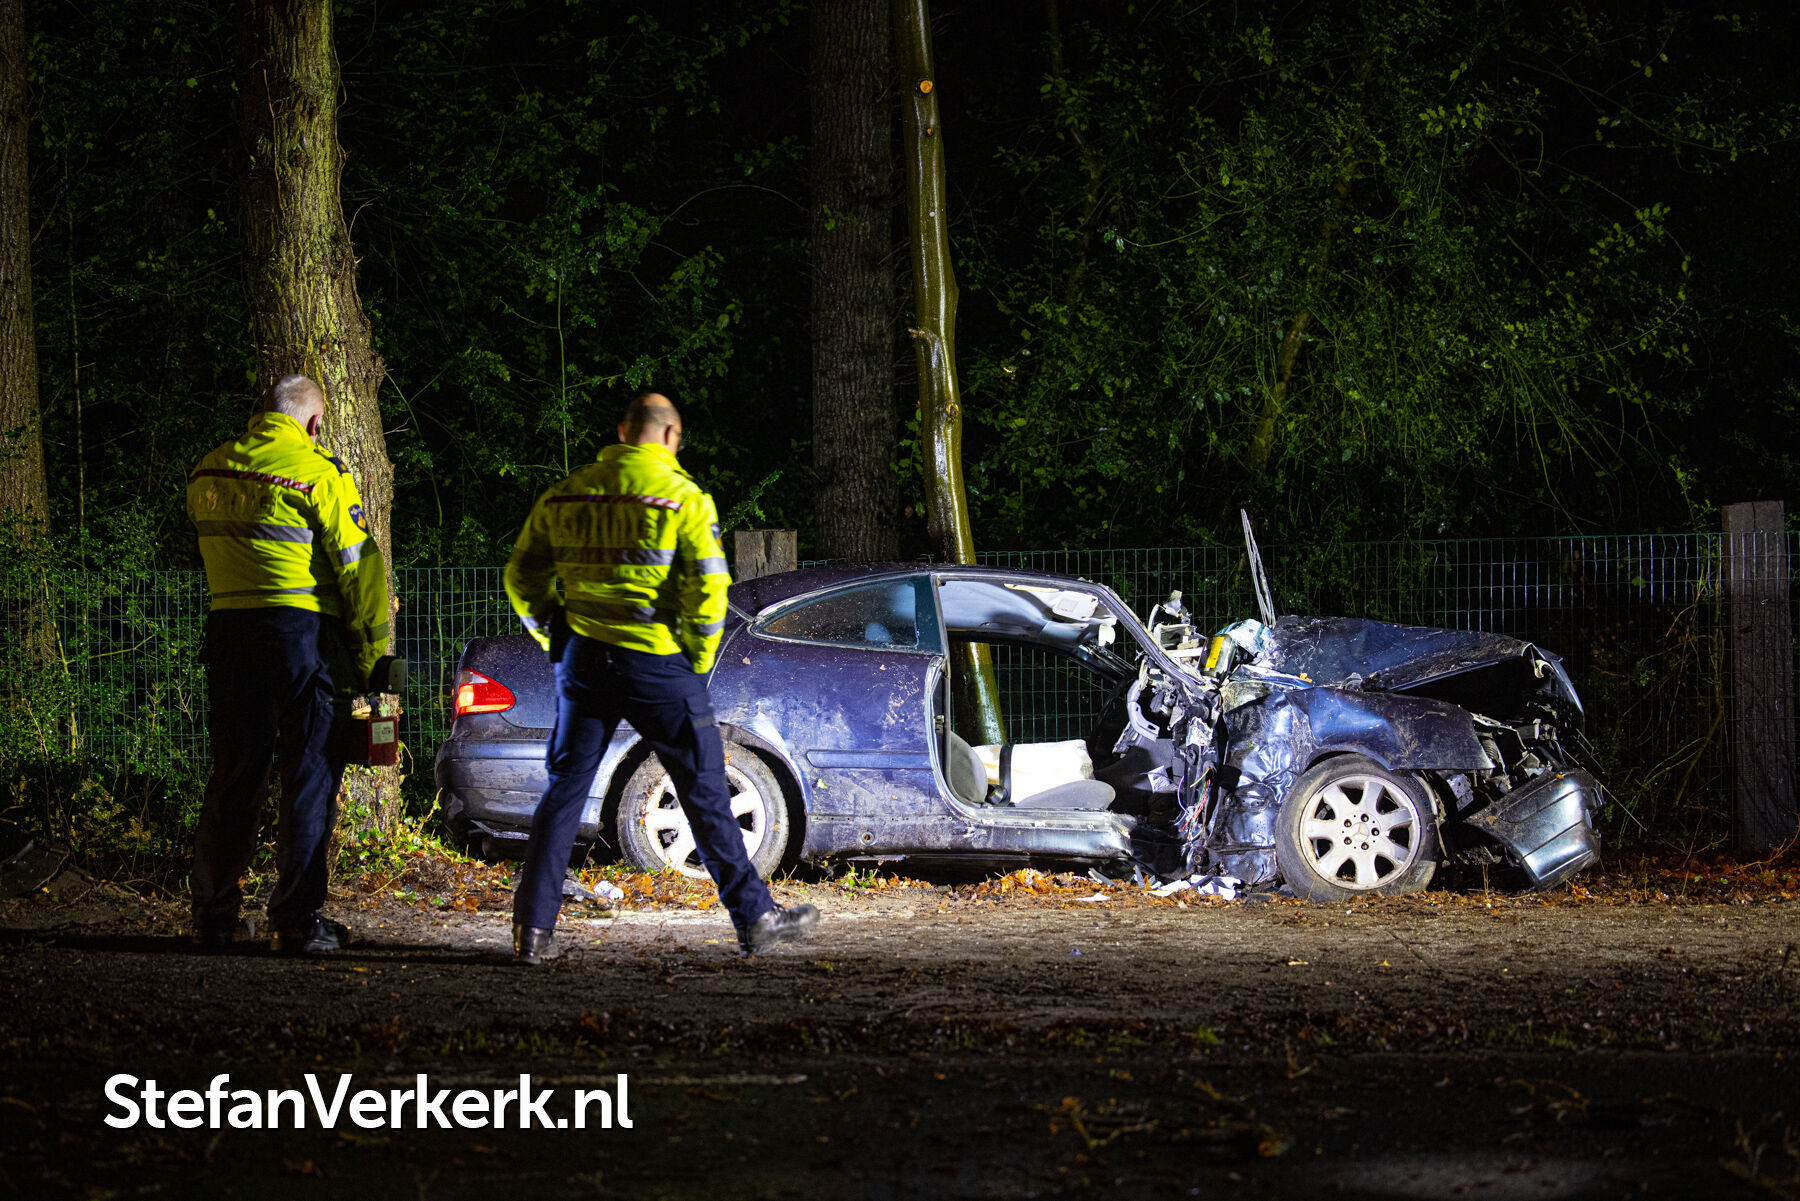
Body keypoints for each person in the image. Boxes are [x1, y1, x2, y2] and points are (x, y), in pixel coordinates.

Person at [504, 392, 818, 962]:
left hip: (586, 658)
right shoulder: (683, 500)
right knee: (703, 790)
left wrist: (557, 637)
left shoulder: (570, 492)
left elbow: (522, 573)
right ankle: (755, 920)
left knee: (565, 791)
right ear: (671, 437)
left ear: (624, 432)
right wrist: (692, 665)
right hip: (656, 660)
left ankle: (532, 931)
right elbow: (708, 592)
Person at [186, 374, 392, 954]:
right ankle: (297, 922)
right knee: (308, 777)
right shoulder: (318, 472)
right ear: (314, 422)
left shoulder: (208, 471)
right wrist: (373, 659)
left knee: (234, 774)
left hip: (228, 633)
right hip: (302, 638)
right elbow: (361, 571)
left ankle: (214, 917)